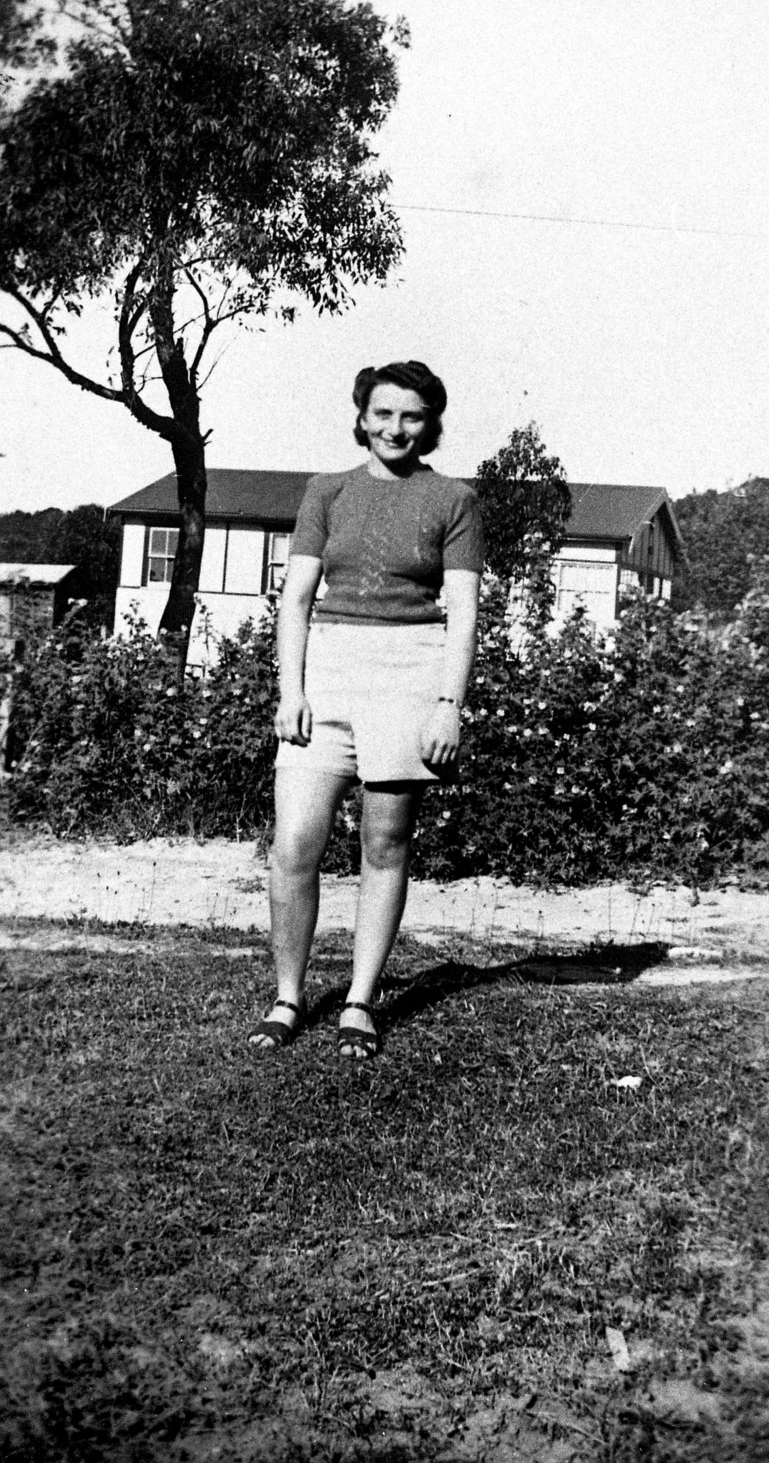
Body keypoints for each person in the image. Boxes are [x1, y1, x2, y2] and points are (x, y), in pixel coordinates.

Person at [249, 361, 483, 1059]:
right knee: (295, 842)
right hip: (328, 670)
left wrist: (449, 705)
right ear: (363, 415)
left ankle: (358, 1000)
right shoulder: (327, 492)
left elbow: (464, 611)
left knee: (384, 843)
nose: (395, 428)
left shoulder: (455, 499)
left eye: (411, 416)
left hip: (410, 669)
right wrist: (291, 692)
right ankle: (288, 996)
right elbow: (294, 599)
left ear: (429, 423)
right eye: (383, 413)